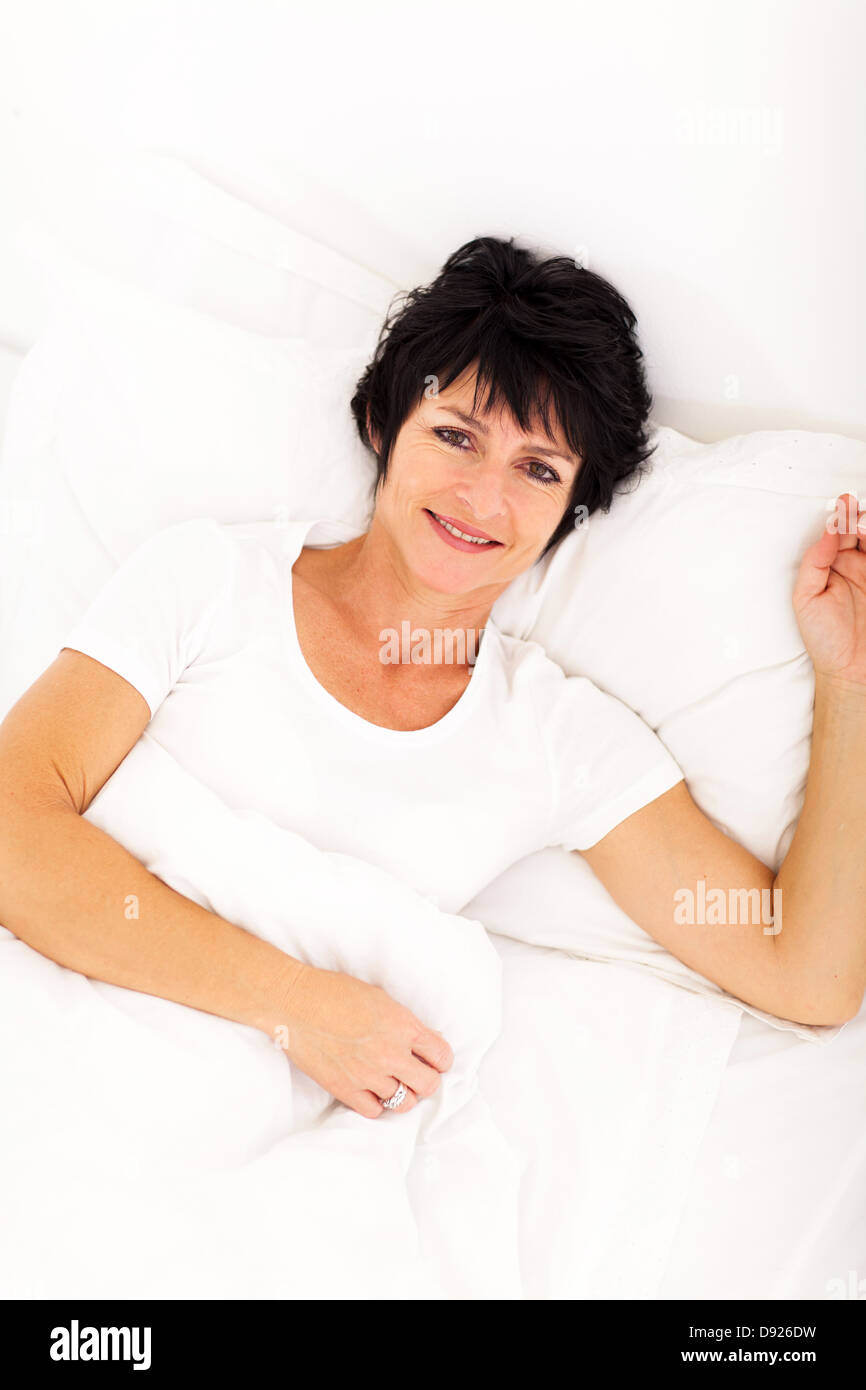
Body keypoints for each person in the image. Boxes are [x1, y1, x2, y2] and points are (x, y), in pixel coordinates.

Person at [1, 236, 864, 1122]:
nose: (482, 500)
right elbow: (11, 822)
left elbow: (808, 974)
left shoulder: (557, 739)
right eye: (456, 436)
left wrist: (849, 685)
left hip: (223, 1128)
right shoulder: (212, 581)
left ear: (573, 511)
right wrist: (298, 1007)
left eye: (538, 470)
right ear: (383, 426)